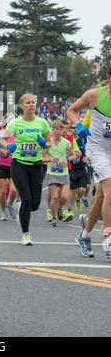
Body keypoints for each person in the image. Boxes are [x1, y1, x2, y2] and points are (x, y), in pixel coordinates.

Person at [67, 66, 111, 260]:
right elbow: (71, 110)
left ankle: (84, 235)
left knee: (101, 197)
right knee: (110, 189)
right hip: (97, 150)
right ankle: (109, 236)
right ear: (109, 78)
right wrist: (78, 125)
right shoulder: (94, 95)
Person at [1, 93, 51, 245]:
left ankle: (19, 207)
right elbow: (2, 140)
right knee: (27, 199)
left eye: (33, 102)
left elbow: (49, 142)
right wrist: (7, 146)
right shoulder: (15, 123)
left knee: (35, 205)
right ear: (21, 106)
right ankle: (26, 234)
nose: (31, 105)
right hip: (19, 164)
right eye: (28, 102)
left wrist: (45, 144)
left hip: (36, 165)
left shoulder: (42, 123)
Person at [43, 120, 76, 226]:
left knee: (65, 197)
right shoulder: (48, 143)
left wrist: (67, 159)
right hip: (52, 172)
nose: (58, 131)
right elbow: (42, 157)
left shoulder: (66, 142)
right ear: (52, 130)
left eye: (60, 129)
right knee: (55, 197)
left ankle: (58, 209)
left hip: (63, 173)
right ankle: (53, 217)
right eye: (56, 129)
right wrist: (50, 159)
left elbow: (74, 155)